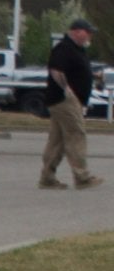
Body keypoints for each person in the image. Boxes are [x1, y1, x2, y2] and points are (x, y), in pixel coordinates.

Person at [39, 18, 103, 191]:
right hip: (64, 100)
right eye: (87, 32)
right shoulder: (64, 48)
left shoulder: (77, 50)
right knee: (76, 134)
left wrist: (93, 76)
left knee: (57, 141)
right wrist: (67, 90)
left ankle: (47, 178)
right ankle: (82, 177)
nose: (89, 35)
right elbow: (56, 70)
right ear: (77, 31)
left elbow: (77, 71)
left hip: (65, 100)